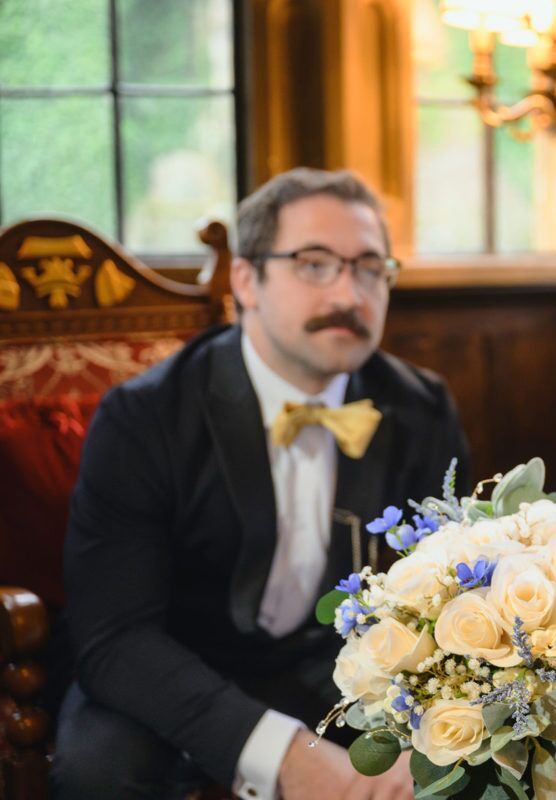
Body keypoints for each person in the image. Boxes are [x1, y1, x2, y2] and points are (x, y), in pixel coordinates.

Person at [54, 168, 470, 800]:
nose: (349, 293)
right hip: (170, 667)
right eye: (314, 264)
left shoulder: (421, 406)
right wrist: (285, 755)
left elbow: (450, 599)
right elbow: (114, 639)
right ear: (246, 281)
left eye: (368, 267)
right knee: (99, 769)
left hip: (337, 671)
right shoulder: (143, 418)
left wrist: (430, 731)